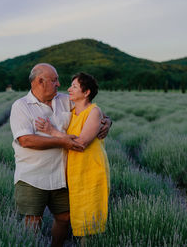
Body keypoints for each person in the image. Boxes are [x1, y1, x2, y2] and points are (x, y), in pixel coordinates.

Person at [9, 64, 111, 247]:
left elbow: (91, 110)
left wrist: (107, 121)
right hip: (33, 176)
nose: (59, 84)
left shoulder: (64, 100)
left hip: (62, 176)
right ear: (40, 81)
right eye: (54, 80)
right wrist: (62, 140)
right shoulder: (21, 106)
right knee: (33, 221)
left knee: (65, 218)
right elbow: (25, 140)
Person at [36, 72, 110, 241]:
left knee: (90, 218)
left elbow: (80, 143)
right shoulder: (73, 110)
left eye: (74, 86)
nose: (68, 89)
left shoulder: (94, 112)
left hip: (91, 170)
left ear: (86, 92)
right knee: (80, 215)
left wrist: (52, 131)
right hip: (76, 171)